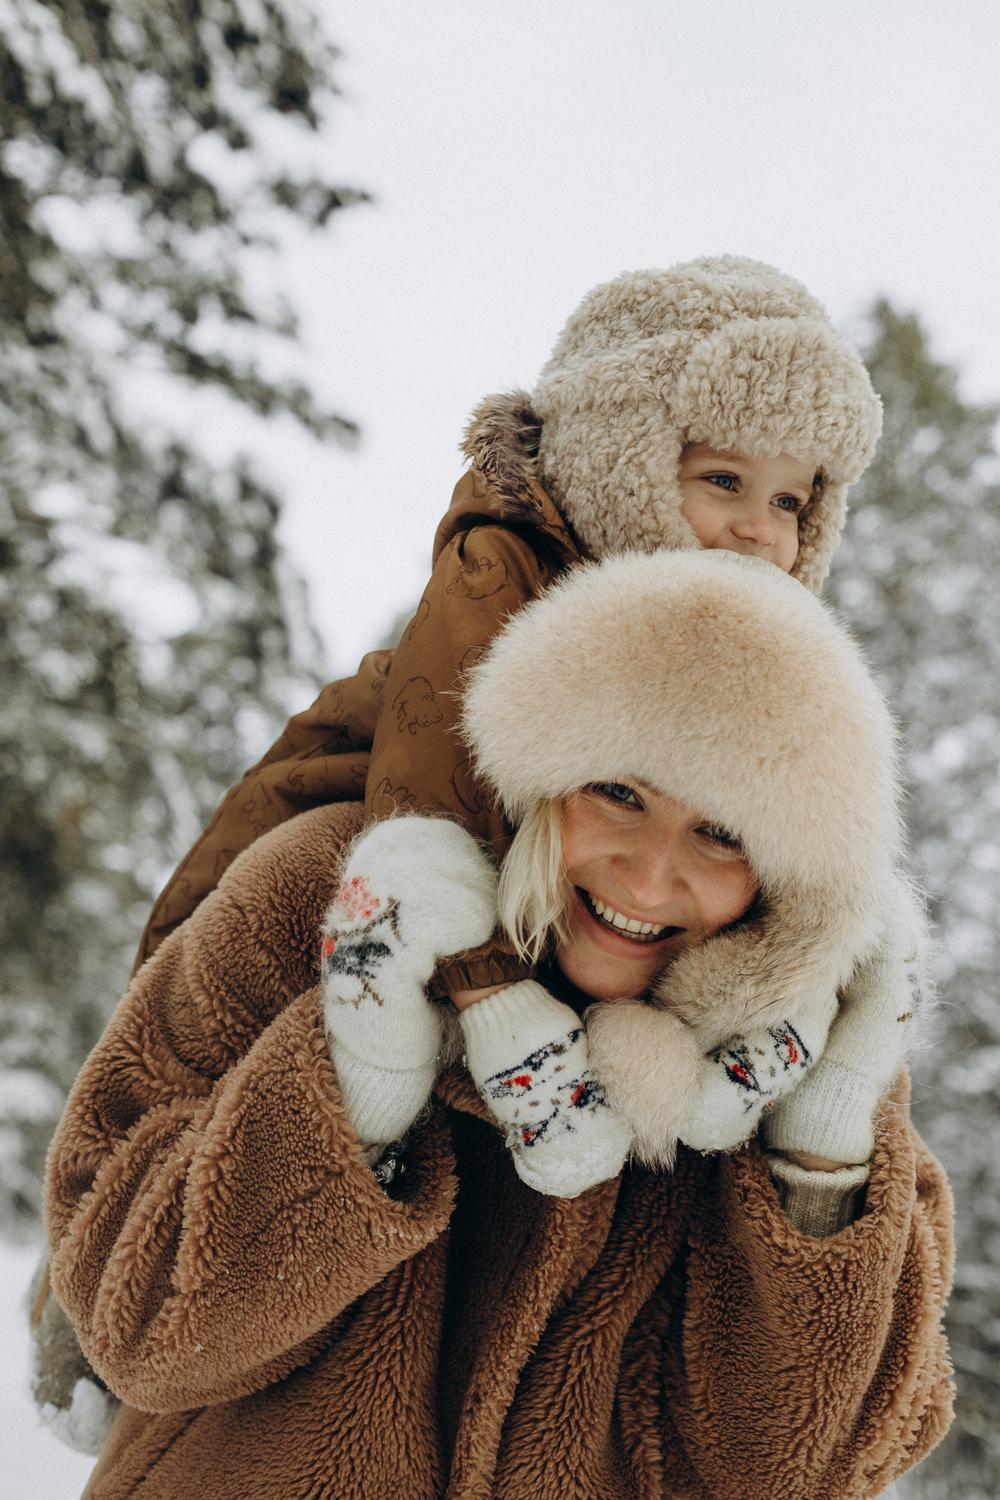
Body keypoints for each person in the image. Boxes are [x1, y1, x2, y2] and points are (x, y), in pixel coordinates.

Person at [29, 255, 897, 1445]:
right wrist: (418, 1041)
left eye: (793, 504)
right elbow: (429, 785)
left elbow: (800, 1452)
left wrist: (823, 1140)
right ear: (624, 461)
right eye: (722, 480)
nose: (759, 531)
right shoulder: (495, 583)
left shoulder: (782, 975)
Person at [43, 550, 953, 1499]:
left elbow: (805, 1468)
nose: (648, 880)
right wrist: (361, 1080)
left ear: (788, 879)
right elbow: (137, 1334)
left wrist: (822, 1149)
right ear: (536, 771)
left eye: (721, 834)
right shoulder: (322, 895)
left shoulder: (795, 1050)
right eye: (619, 792)